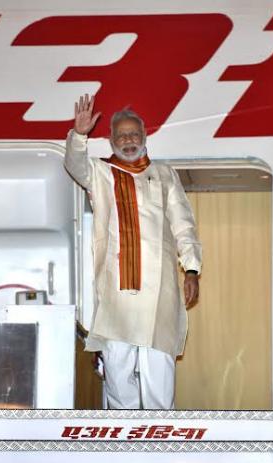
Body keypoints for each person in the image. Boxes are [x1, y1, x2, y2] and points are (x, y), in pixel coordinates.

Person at [65, 94, 202, 409]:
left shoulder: (165, 174)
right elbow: (74, 165)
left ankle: (160, 432)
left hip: (159, 290)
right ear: (111, 140)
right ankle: (122, 432)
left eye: (134, 134)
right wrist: (79, 135)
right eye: (122, 135)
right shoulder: (100, 173)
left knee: (159, 368)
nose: (128, 140)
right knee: (117, 365)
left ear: (144, 137)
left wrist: (192, 269)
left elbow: (184, 225)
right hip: (117, 290)